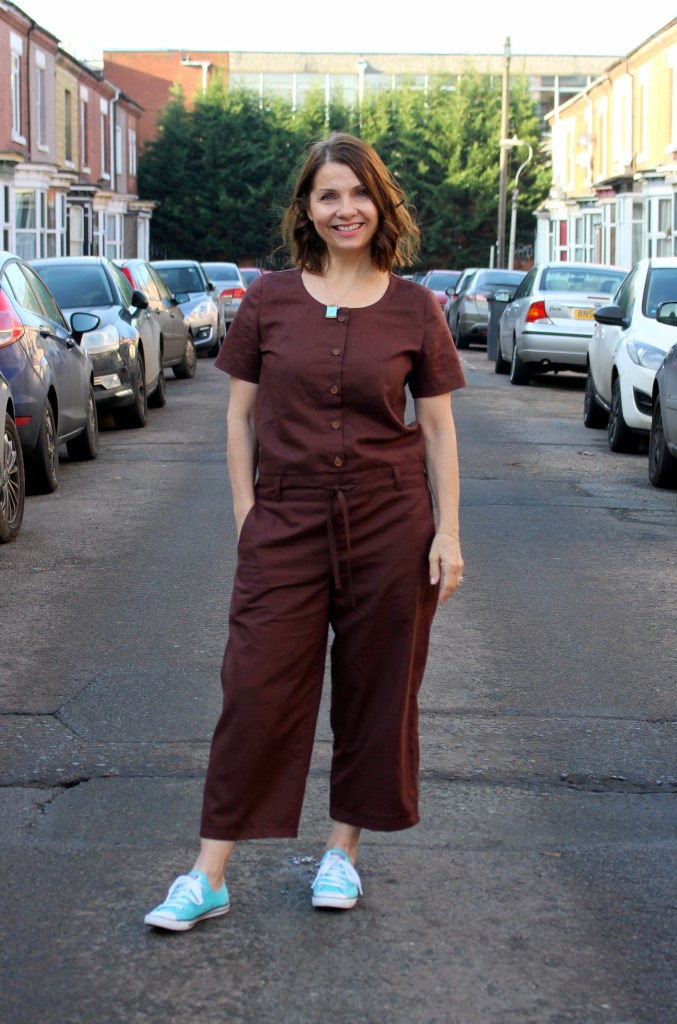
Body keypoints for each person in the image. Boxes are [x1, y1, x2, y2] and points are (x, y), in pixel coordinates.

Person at [145, 132, 466, 931]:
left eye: (358, 193)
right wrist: (247, 515)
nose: (344, 209)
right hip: (285, 520)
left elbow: (436, 429)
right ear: (307, 209)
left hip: (391, 519)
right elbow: (240, 416)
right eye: (328, 195)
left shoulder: (413, 307)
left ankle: (341, 854)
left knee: (376, 689)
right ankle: (207, 874)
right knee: (254, 688)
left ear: (378, 204)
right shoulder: (269, 301)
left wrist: (447, 534)